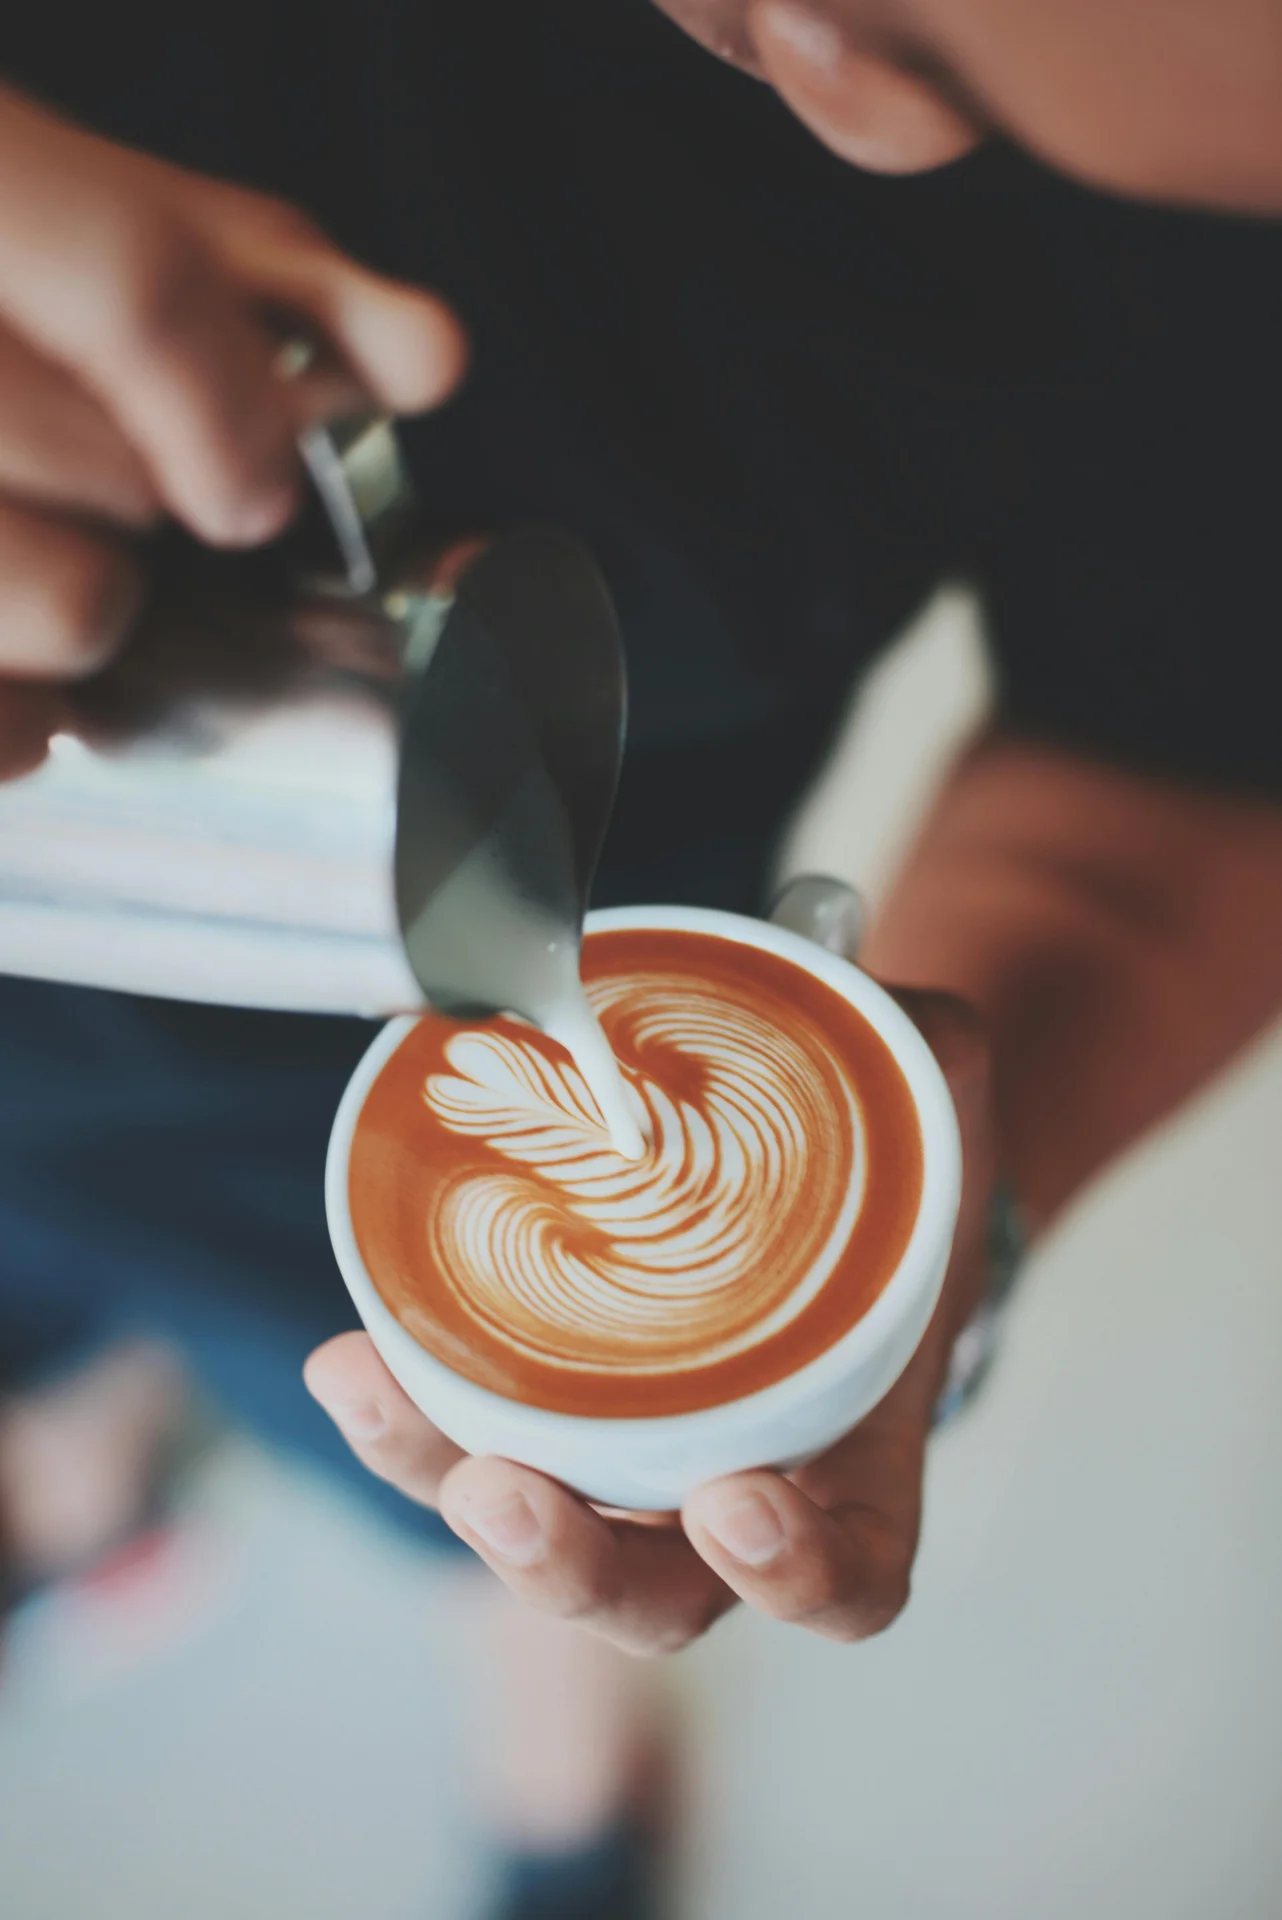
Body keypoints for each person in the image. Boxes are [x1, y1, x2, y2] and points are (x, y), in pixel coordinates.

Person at [0, 3, 1280, 1916]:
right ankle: (81, 1461)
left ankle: (554, 1766)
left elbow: (1188, 725)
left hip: (500, 1031)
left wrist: (926, 1243)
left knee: (465, 1498)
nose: (859, 106)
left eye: (985, 107)